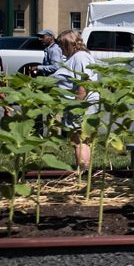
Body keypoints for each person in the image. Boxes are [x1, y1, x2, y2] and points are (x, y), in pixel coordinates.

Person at [55, 29, 99, 169]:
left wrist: (76, 107)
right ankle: (83, 171)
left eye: (63, 46)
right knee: (80, 139)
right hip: (77, 103)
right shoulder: (77, 56)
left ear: (71, 44)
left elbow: (83, 84)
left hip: (81, 104)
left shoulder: (80, 57)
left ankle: (83, 172)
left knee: (80, 140)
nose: (62, 50)